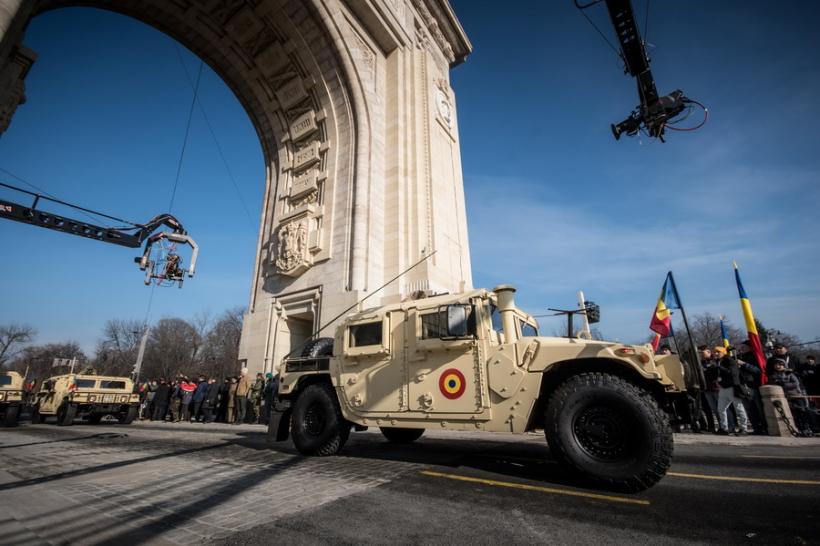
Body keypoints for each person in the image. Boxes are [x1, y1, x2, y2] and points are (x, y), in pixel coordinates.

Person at [769, 358, 817, 434]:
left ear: (784, 365)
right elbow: (773, 384)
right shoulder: (774, 375)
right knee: (793, 414)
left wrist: (784, 384)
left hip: (796, 396)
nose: (778, 366)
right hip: (785, 397)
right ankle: (798, 429)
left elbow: (796, 383)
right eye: (776, 365)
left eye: (780, 365)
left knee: (802, 412)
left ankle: (807, 428)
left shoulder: (790, 373)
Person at [715, 348, 749, 435]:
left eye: (718, 352)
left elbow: (732, 373)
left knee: (738, 408)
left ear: (723, 352)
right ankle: (724, 428)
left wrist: (720, 368)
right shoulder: (719, 361)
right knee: (721, 408)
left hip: (732, 387)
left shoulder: (730, 361)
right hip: (723, 387)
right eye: (715, 352)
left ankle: (744, 428)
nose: (716, 353)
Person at [736, 341, 765, 434]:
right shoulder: (739, 357)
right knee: (749, 409)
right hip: (743, 386)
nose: (741, 349)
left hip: (753, 386)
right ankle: (756, 428)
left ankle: (764, 427)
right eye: (741, 347)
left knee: (758, 408)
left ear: (750, 347)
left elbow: (758, 371)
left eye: (744, 347)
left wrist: (744, 364)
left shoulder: (755, 357)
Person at [699, 346, 720, 432]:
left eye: (703, 352)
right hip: (706, 389)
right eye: (700, 353)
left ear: (708, 352)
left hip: (716, 388)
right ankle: (712, 427)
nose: (701, 354)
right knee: (711, 409)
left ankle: (723, 425)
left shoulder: (714, 361)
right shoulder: (700, 362)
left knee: (720, 408)